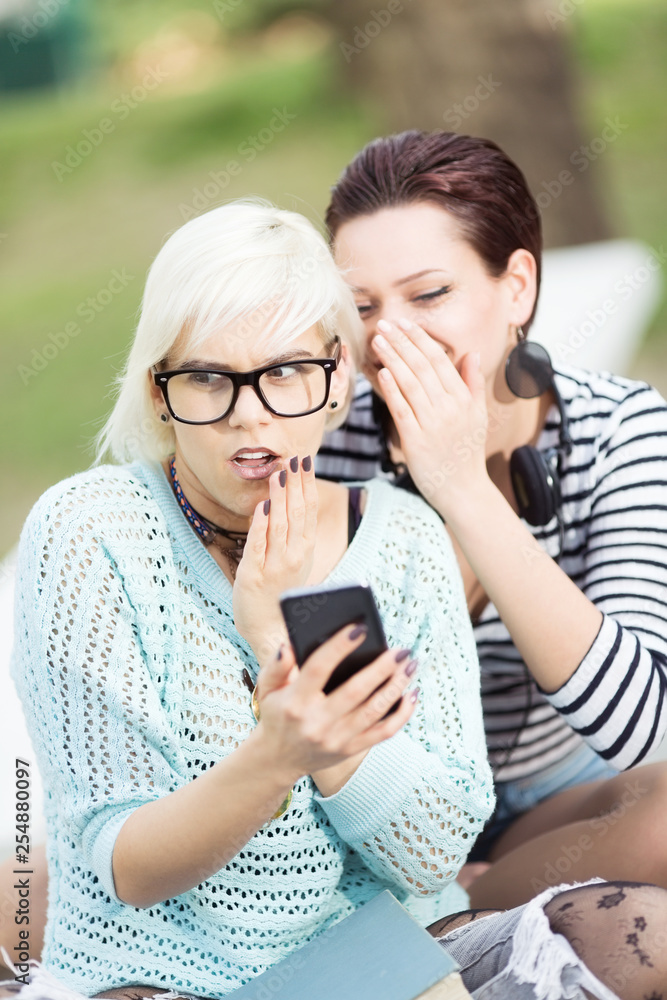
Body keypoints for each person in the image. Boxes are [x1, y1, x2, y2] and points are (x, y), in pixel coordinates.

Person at [7, 200, 667, 1000]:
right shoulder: (92, 531)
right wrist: (278, 754)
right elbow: (127, 868)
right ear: (157, 393)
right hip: (173, 979)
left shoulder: (402, 537)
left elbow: (427, 855)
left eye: (285, 372)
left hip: (399, 949)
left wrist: (290, 635)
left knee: (647, 939)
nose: (249, 417)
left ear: (336, 382)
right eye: (209, 379)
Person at [316, 129, 667, 913]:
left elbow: (642, 728)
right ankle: (433, 894)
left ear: (515, 287)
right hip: (375, 809)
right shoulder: (324, 438)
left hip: (555, 805)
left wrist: (462, 487)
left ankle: (466, 904)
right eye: (361, 307)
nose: (388, 336)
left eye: (428, 294)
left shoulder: (623, 433)